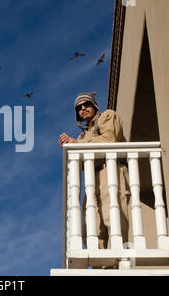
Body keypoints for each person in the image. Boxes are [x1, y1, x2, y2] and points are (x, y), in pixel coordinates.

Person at [58, 92, 130, 250]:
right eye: (79, 107)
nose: (83, 108)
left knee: (114, 220)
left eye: (86, 104)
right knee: (91, 229)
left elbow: (110, 139)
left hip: (111, 171)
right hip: (92, 180)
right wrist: (69, 148)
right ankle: (106, 269)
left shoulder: (108, 116)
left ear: (94, 106)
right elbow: (81, 165)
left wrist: (77, 144)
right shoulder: (82, 136)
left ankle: (119, 262)